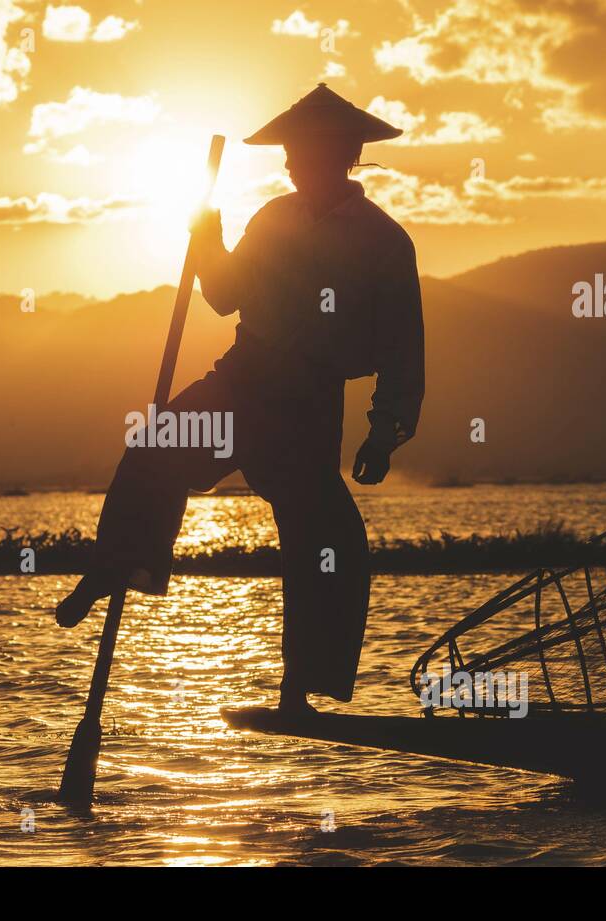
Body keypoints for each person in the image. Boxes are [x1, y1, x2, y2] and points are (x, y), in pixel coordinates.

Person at [56, 84, 425, 716]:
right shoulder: (273, 219)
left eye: (300, 153)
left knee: (327, 541)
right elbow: (227, 294)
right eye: (287, 154)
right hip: (242, 380)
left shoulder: (382, 240)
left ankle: (298, 687)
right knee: (154, 448)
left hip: (306, 402)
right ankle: (117, 563)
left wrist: (384, 430)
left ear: (342, 155)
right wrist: (209, 239)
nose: (289, 164)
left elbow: (402, 346)